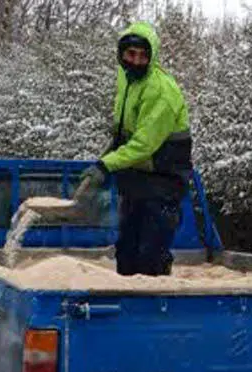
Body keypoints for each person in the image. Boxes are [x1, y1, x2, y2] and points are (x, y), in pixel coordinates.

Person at [73, 21, 193, 276]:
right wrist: (106, 157)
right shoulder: (127, 80)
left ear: (152, 57)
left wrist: (107, 165)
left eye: (143, 56)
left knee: (150, 258)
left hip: (163, 181)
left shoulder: (161, 91)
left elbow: (143, 145)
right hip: (136, 180)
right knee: (126, 255)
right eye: (131, 54)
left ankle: (156, 298)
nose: (136, 61)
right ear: (121, 54)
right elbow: (125, 132)